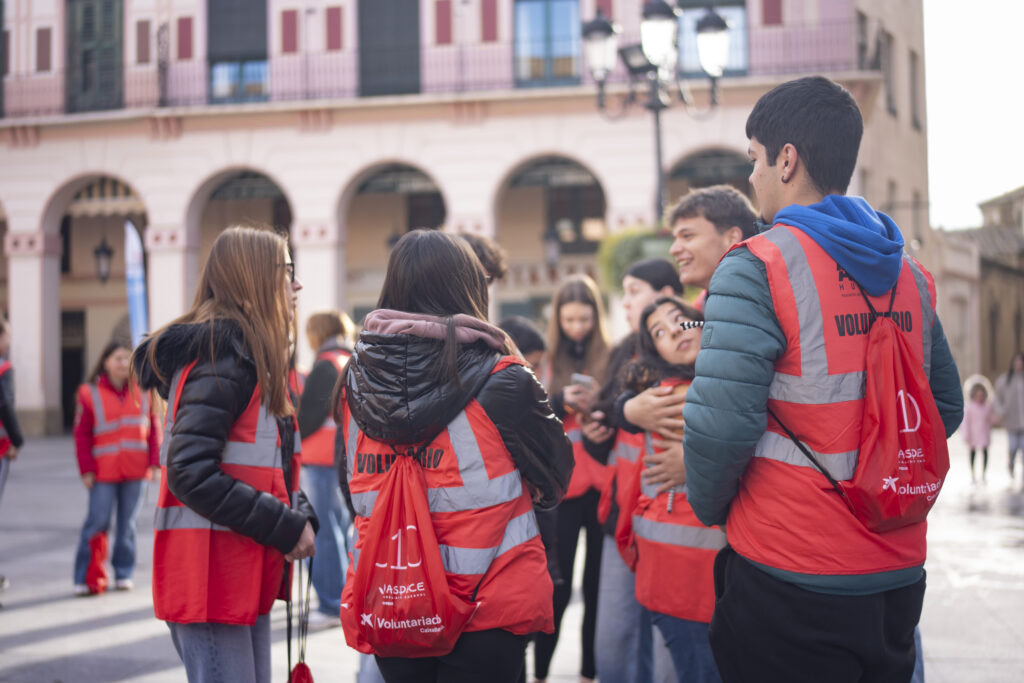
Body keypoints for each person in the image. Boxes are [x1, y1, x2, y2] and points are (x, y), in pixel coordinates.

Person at [682, 76, 964, 682]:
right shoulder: (909, 274)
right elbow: (945, 407)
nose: (751, 176)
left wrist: (711, 508)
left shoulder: (757, 265)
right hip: (894, 570)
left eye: (754, 159)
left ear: (787, 161)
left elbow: (721, 426)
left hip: (791, 566)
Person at [335, 229, 573, 683]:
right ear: (469, 287)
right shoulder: (504, 378)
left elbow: (353, 488)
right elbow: (557, 473)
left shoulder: (352, 382)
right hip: (490, 601)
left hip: (396, 595)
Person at [133, 226, 318, 683]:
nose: (296, 286)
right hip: (211, 578)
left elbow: (262, 465)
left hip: (234, 569)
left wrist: (297, 511)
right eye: (287, 271)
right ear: (254, 277)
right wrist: (284, 524)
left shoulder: (242, 355)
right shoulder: (224, 356)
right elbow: (189, 471)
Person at [593, 258, 683, 683]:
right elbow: (609, 421)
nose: (626, 301)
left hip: (675, 517)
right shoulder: (622, 351)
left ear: (666, 295)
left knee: (671, 653)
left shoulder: (694, 340)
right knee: (613, 645)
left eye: (634, 290)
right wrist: (614, 416)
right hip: (620, 515)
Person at [624, 296, 722, 683]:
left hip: (705, 574)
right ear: (655, 352)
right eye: (659, 333)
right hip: (684, 576)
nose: (675, 332)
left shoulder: (714, 378)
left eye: (679, 320)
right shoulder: (670, 396)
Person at [534, 274, 611, 683]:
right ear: (558, 319)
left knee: (598, 588)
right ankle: (540, 674)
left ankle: (588, 673)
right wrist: (560, 400)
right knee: (556, 589)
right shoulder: (545, 362)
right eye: (570, 320)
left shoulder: (610, 355)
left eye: (585, 319)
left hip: (601, 486)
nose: (578, 327)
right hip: (562, 491)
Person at [71, 338, 162, 595]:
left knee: (128, 525)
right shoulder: (89, 394)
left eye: (127, 358)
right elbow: (82, 435)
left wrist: (155, 464)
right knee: (97, 522)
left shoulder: (144, 391)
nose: (123, 363)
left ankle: (124, 572)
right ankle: (86, 575)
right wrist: (86, 470)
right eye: (118, 358)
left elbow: (154, 430)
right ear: (106, 363)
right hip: (102, 472)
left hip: (136, 471)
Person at [298, 310, 356, 623]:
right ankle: (342, 598)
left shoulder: (325, 364)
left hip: (319, 459)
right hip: (341, 459)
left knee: (323, 534)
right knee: (339, 531)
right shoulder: (348, 358)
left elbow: (308, 417)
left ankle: (331, 603)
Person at [0, 318, 25, 592]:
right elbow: (5, 404)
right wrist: (17, 440)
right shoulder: (3, 368)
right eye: (7, 336)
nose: (8, 342)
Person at [995, 352, 1024, 485]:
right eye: (1017, 362)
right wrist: (1001, 412)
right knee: (1013, 447)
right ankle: (1011, 464)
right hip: (1012, 422)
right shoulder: (1005, 380)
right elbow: (997, 398)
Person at [963, 382, 994, 484]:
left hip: (984, 433)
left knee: (985, 453)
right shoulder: (969, 406)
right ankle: (973, 474)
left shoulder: (987, 406)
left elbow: (991, 418)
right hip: (973, 434)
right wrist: (966, 435)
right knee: (973, 453)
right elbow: (966, 422)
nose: (979, 397)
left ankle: (983, 474)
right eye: (977, 395)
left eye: (981, 395)